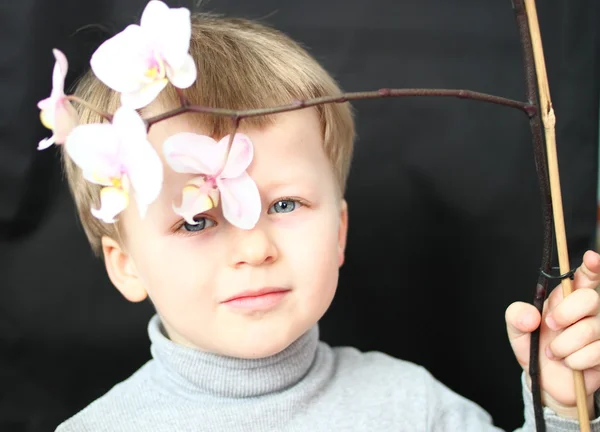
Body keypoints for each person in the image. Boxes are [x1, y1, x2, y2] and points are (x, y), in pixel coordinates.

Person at [49, 2, 600, 430]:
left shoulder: (411, 407)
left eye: (284, 205)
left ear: (339, 231)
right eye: (196, 219)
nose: (254, 248)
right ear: (127, 266)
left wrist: (557, 403)